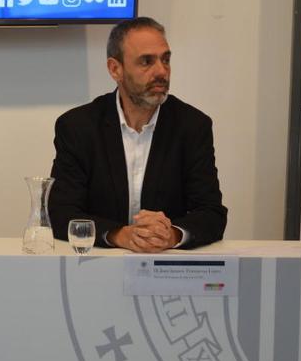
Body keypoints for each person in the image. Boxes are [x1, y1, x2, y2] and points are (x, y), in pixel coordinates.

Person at [48, 17, 227, 252]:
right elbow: (61, 213)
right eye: (147, 62)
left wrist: (171, 234)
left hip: (166, 268)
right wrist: (119, 235)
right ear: (115, 69)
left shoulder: (192, 126)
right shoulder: (78, 127)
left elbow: (211, 213)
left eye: (166, 60)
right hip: (97, 265)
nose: (162, 71)